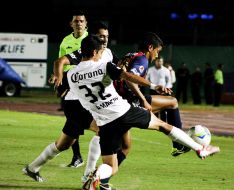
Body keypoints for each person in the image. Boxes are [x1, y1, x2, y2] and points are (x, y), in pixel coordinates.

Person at [67, 34, 220, 190]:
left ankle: (96, 178)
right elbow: (129, 77)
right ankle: (200, 149)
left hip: (104, 123)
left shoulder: (71, 76)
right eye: (100, 52)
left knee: (111, 166)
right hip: (123, 111)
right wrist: (154, 86)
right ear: (94, 52)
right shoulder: (103, 66)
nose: (101, 55)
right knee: (163, 125)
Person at [21, 21, 118, 183]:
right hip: (75, 103)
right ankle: (88, 175)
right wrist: (59, 77)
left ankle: (31, 168)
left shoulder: (108, 53)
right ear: (94, 36)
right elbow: (60, 61)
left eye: (107, 36)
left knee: (64, 143)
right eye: (101, 36)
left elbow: (119, 68)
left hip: (84, 103)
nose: (105, 39)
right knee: (103, 130)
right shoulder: (84, 51)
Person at [57, 9, 88, 168]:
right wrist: (56, 76)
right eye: (76, 21)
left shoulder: (90, 40)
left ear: (86, 23)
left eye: (81, 21)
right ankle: (77, 156)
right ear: (71, 24)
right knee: (72, 118)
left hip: (87, 83)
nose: (79, 23)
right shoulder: (65, 41)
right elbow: (60, 62)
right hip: (69, 83)